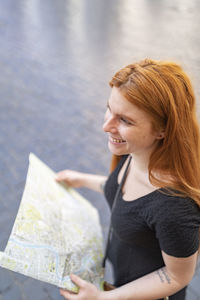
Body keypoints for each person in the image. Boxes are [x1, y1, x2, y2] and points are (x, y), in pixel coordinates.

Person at [56, 59, 200, 300]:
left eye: (125, 120)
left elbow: (177, 276)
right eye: (109, 108)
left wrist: (103, 298)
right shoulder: (135, 152)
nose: (106, 125)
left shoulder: (174, 206)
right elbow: (125, 194)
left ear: (162, 130)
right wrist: (80, 179)